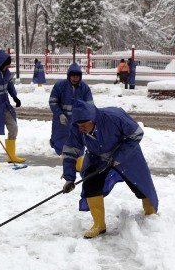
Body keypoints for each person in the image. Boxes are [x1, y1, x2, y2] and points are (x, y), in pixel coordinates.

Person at [61, 100, 159, 238]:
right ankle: (99, 225)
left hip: (127, 155)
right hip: (97, 158)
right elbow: (71, 151)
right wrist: (69, 178)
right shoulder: (77, 127)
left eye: (83, 125)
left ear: (92, 120)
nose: (81, 128)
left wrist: (118, 157)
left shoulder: (114, 117)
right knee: (90, 184)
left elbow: (137, 134)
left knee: (139, 185)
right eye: (78, 125)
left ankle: (151, 215)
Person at [49, 62, 94, 171]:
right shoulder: (60, 86)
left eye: (77, 76)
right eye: (73, 76)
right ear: (69, 76)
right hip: (62, 121)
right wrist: (60, 114)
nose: (75, 78)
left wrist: (88, 118)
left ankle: (78, 166)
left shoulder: (84, 88)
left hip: (78, 121)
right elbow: (53, 102)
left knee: (79, 141)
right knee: (61, 141)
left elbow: (90, 105)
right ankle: (67, 164)